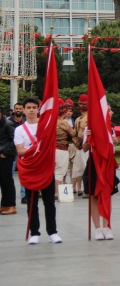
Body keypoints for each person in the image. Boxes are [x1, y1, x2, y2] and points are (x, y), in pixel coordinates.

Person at [14, 97, 63, 244]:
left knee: (49, 202)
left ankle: (52, 232)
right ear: (23, 110)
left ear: (38, 109)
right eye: (28, 107)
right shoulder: (19, 130)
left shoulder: (45, 126)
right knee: (32, 203)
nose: (31, 110)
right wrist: (37, 149)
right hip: (30, 170)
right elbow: (20, 151)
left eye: (34, 107)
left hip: (45, 168)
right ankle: (34, 232)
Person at [83, 105, 118, 240]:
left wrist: (114, 140)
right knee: (94, 196)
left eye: (110, 109)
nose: (110, 112)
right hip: (94, 163)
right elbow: (85, 148)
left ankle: (107, 226)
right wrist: (88, 138)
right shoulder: (89, 128)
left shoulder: (111, 128)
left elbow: (114, 143)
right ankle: (97, 229)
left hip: (108, 164)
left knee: (107, 194)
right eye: (108, 110)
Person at [55, 100, 77, 199]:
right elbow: (72, 133)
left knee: (52, 171)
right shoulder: (62, 122)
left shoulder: (51, 122)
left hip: (51, 150)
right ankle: (56, 193)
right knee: (60, 172)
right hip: (61, 149)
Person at [7, 103, 26, 204]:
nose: (18, 110)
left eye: (20, 108)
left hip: (23, 151)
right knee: (9, 176)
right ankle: (10, 197)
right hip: (12, 152)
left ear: (23, 110)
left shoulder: (26, 122)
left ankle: (24, 195)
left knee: (23, 173)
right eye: (16, 108)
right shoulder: (8, 122)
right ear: (13, 110)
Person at [0, 106, 17, 215]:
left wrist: (5, 153)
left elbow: (15, 140)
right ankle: (4, 205)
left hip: (6, 157)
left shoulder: (8, 124)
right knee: (2, 181)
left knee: (7, 181)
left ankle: (12, 205)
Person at [72, 94, 89, 197]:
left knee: (86, 169)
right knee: (77, 170)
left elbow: (80, 135)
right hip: (79, 147)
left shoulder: (87, 118)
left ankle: (88, 190)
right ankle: (70, 190)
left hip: (85, 147)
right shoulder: (79, 119)